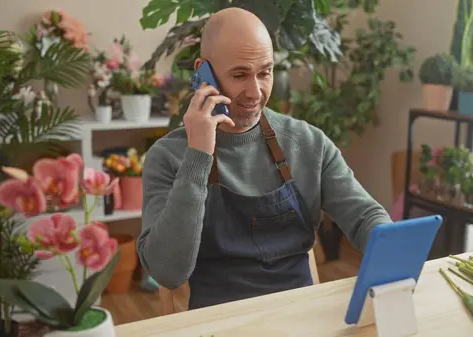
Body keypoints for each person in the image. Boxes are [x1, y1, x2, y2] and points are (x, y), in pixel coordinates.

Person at [137, 7, 392, 310]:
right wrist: (198, 156)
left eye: (265, 72)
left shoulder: (309, 143)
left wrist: (390, 246)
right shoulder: (167, 157)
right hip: (219, 322)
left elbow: (365, 216)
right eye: (240, 74)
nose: (255, 91)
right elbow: (168, 271)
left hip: (301, 315)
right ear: (202, 72)